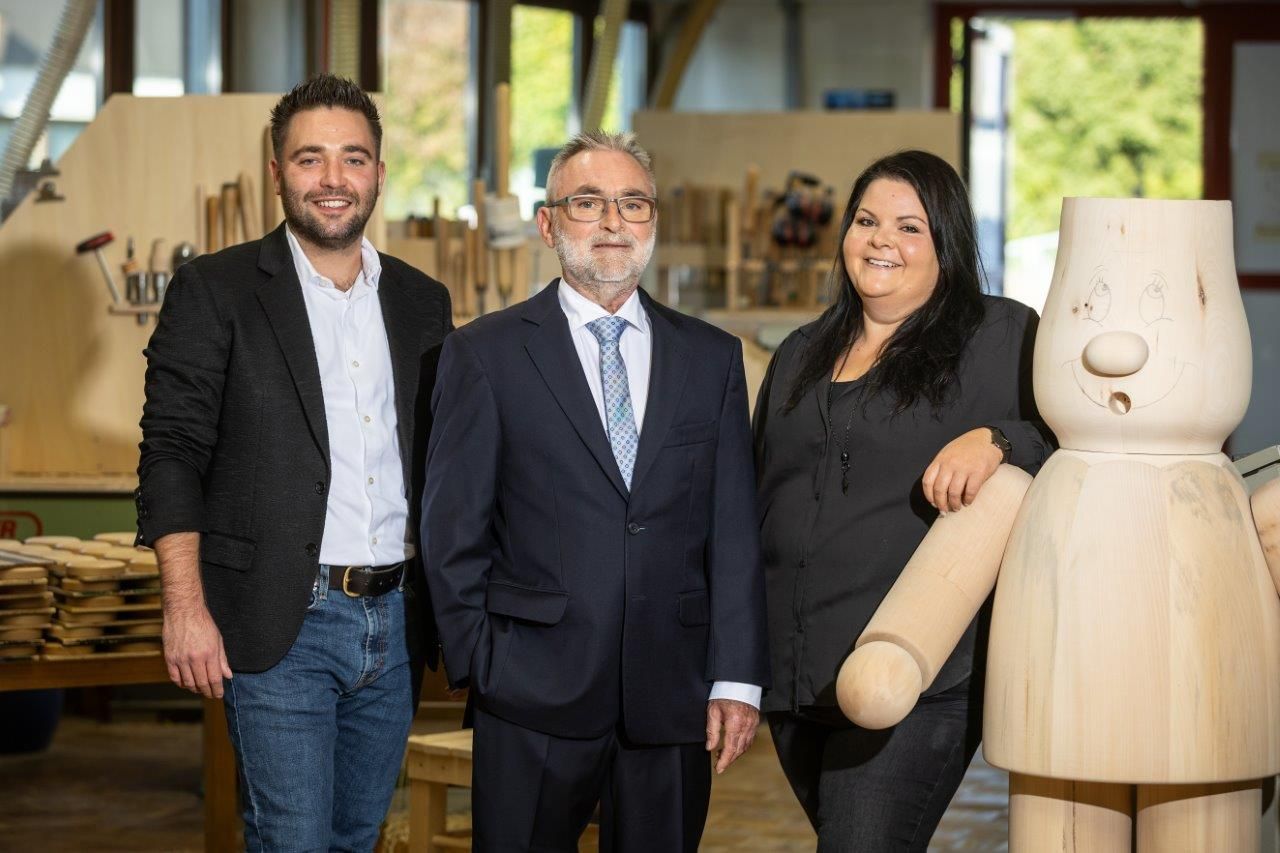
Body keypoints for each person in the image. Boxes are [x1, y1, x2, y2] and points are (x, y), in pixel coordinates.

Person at [422, 130, 769, 852]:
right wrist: (482, 663)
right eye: (588, 202)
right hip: (530, 693)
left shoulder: (711, 358)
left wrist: (737, 676)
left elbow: (733, 529)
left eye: (633, 203)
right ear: (549, 224)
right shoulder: (484, 355)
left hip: (671, 693)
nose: (613, 222)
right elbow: (451, 529)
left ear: (652, 222)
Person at [136, 74, 452, 851]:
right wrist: (185, 606)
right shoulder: (216, 290)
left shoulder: (423, 302)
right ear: (277, 172)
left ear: (379, 170)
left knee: (357, 837)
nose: (334, 180)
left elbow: (448, 457)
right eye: (311, 159)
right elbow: (171, 452)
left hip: (398, 620)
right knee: (292, 840)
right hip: (283, 618)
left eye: (353, 158)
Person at [753, 149, 1054, 850]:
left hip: (919, 673)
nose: (882, 239)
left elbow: (1077, 431)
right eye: (866, 220)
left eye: (909, 226)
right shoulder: (800, 352)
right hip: (799, 674)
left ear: (946, 244)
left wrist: (1001, 439)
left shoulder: (999, 336)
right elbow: (759, 491)